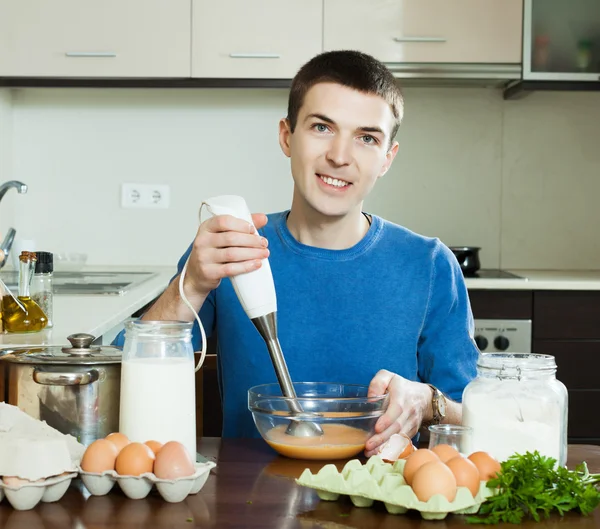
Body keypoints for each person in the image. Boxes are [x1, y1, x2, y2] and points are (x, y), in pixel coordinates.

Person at [114, 50, 478, 456]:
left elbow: (477, 417)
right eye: (322, 127)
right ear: (287, 136)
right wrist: (193, 284)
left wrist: (430, 403)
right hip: (249, 501)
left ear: (387, 159)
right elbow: (121, 376)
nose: (340, 156)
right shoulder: (232, 250)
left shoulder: (428, 264)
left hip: (383, 503)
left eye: (367, 138)